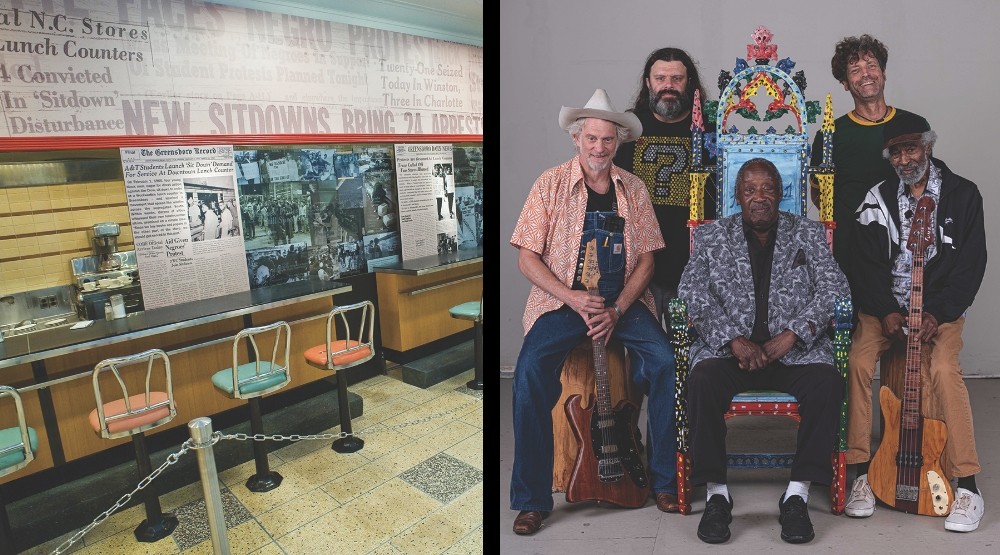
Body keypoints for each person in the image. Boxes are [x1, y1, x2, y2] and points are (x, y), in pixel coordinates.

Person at [509, 88, 679, 535]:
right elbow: (527, 257)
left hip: (621, 303)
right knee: (528, 372)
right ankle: (531, 499)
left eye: (607, 140)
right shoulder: (549, 184)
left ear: (617, 141)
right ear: (576, 138)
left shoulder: (634, 189)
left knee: (664, 363)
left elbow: (647, 260)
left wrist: (619, 307)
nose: (599, 148)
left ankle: (664, 480)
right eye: (591, 139)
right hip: (564, 302)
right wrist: (572, 297)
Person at [678, 158, 848, 544]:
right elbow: (691, 294)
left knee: (828, 383)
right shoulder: (712, 237)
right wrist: (731, 340)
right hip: (730, 353)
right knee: (701, 380)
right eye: (750, 189)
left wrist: (792, 335)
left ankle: (797, 494)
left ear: (780, 194)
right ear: (738, 196)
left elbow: (835, 290)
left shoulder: (806, 233)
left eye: (768, 189)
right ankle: (717, 494)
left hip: (792, 354)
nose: (760, 198)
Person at [845, 114, 987, 531]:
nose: (905, 159)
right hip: (886, 310)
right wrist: (885, 307)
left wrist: (937, 313)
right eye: (896, 152)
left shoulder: (962, 195)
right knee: (856, 362)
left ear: (929, 146)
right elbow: (862, 264)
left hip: (938, 311)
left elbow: (971, 264)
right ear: (889, 158)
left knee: (944, 369)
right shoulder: (877, 198)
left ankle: (969, 487)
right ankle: (860, 474)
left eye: (912, 148)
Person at [810, 34, 929, 286]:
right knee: (852, 324)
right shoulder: (830, 135)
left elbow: (929, 185)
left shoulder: (915, 126)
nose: (866, 74)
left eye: (871, 65)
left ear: (883, 73)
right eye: (855, 69)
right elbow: (818, 194)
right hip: (850, 254)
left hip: (906, 249)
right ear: (844, 82)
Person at [614, 47, 717, 327]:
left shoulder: (711, 130)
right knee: (644, 358)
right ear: (648, 83)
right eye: (660, 78)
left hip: (694, 268)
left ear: (690, 83)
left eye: (676, 79)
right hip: (638, 268)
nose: (668, 86)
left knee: (689, 356)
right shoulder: (629, 127)